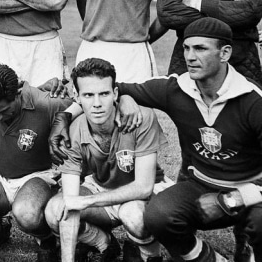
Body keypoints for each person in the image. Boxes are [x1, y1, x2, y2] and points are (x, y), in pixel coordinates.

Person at [77, 18, 261, 262]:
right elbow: (111, 88)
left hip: (250, 190)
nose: (190, 57)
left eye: (200, 48)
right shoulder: (176, 89)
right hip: (201, 185)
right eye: (186, 48)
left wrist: (231, 199)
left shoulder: (253, 100)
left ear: (225, 52)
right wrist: (124, 99)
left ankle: (249, 245)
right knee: (158, 215)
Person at [45, 58, 170, 262]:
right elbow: (71, 201)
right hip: (102, 187)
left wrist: (87, 201)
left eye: (103, 93)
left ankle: (150, 255)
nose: (97, 104)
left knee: (134, 216)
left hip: (144, 191)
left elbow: (144, 187)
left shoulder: (141, 118)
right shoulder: (72, 131)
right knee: (55, 210)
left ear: (115, 93)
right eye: (88, 95)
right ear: (77, 96)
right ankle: (104, 243)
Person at [0, 64, 77, 262]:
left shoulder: (47, 103)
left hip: (36, 175)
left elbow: (87, 103)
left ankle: (46, 240)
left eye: (2, 110)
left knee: (26, 213)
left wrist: (126, 100)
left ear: (18, 92)